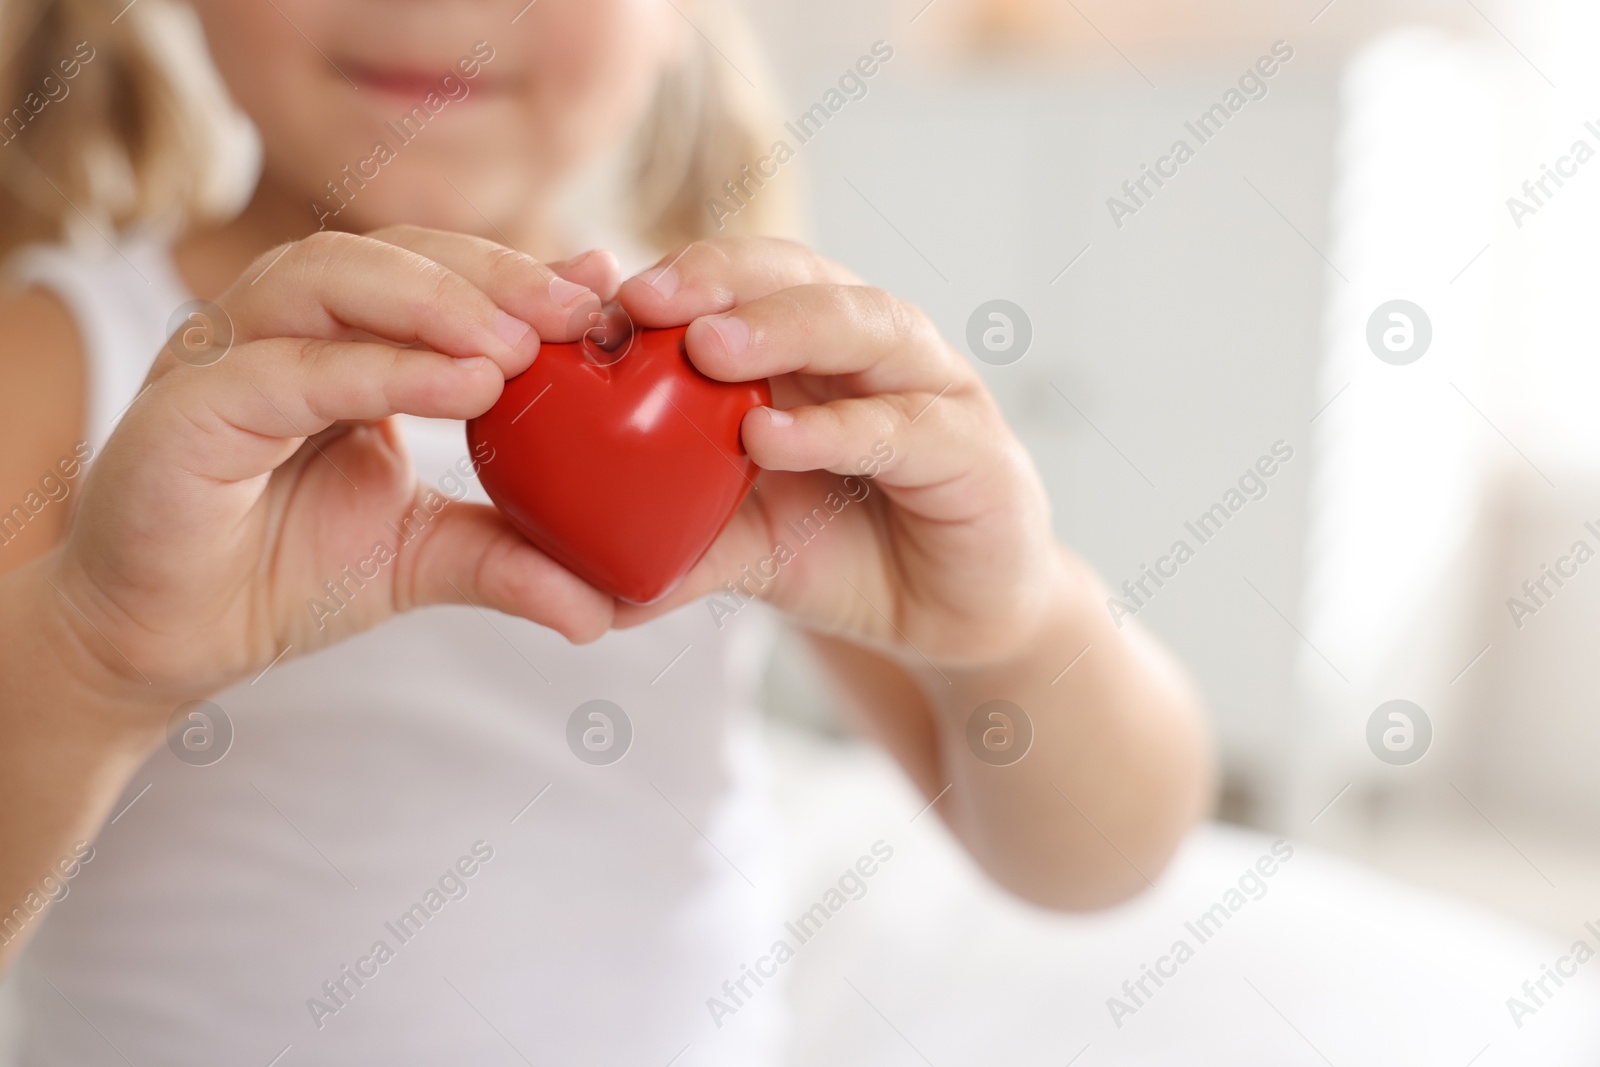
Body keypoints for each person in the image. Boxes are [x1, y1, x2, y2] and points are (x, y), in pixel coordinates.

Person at [0, 0, 1210, 1062]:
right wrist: (92, 653)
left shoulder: (754, 379)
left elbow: (1102, 860)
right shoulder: (62, 359)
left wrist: (1009, 625)